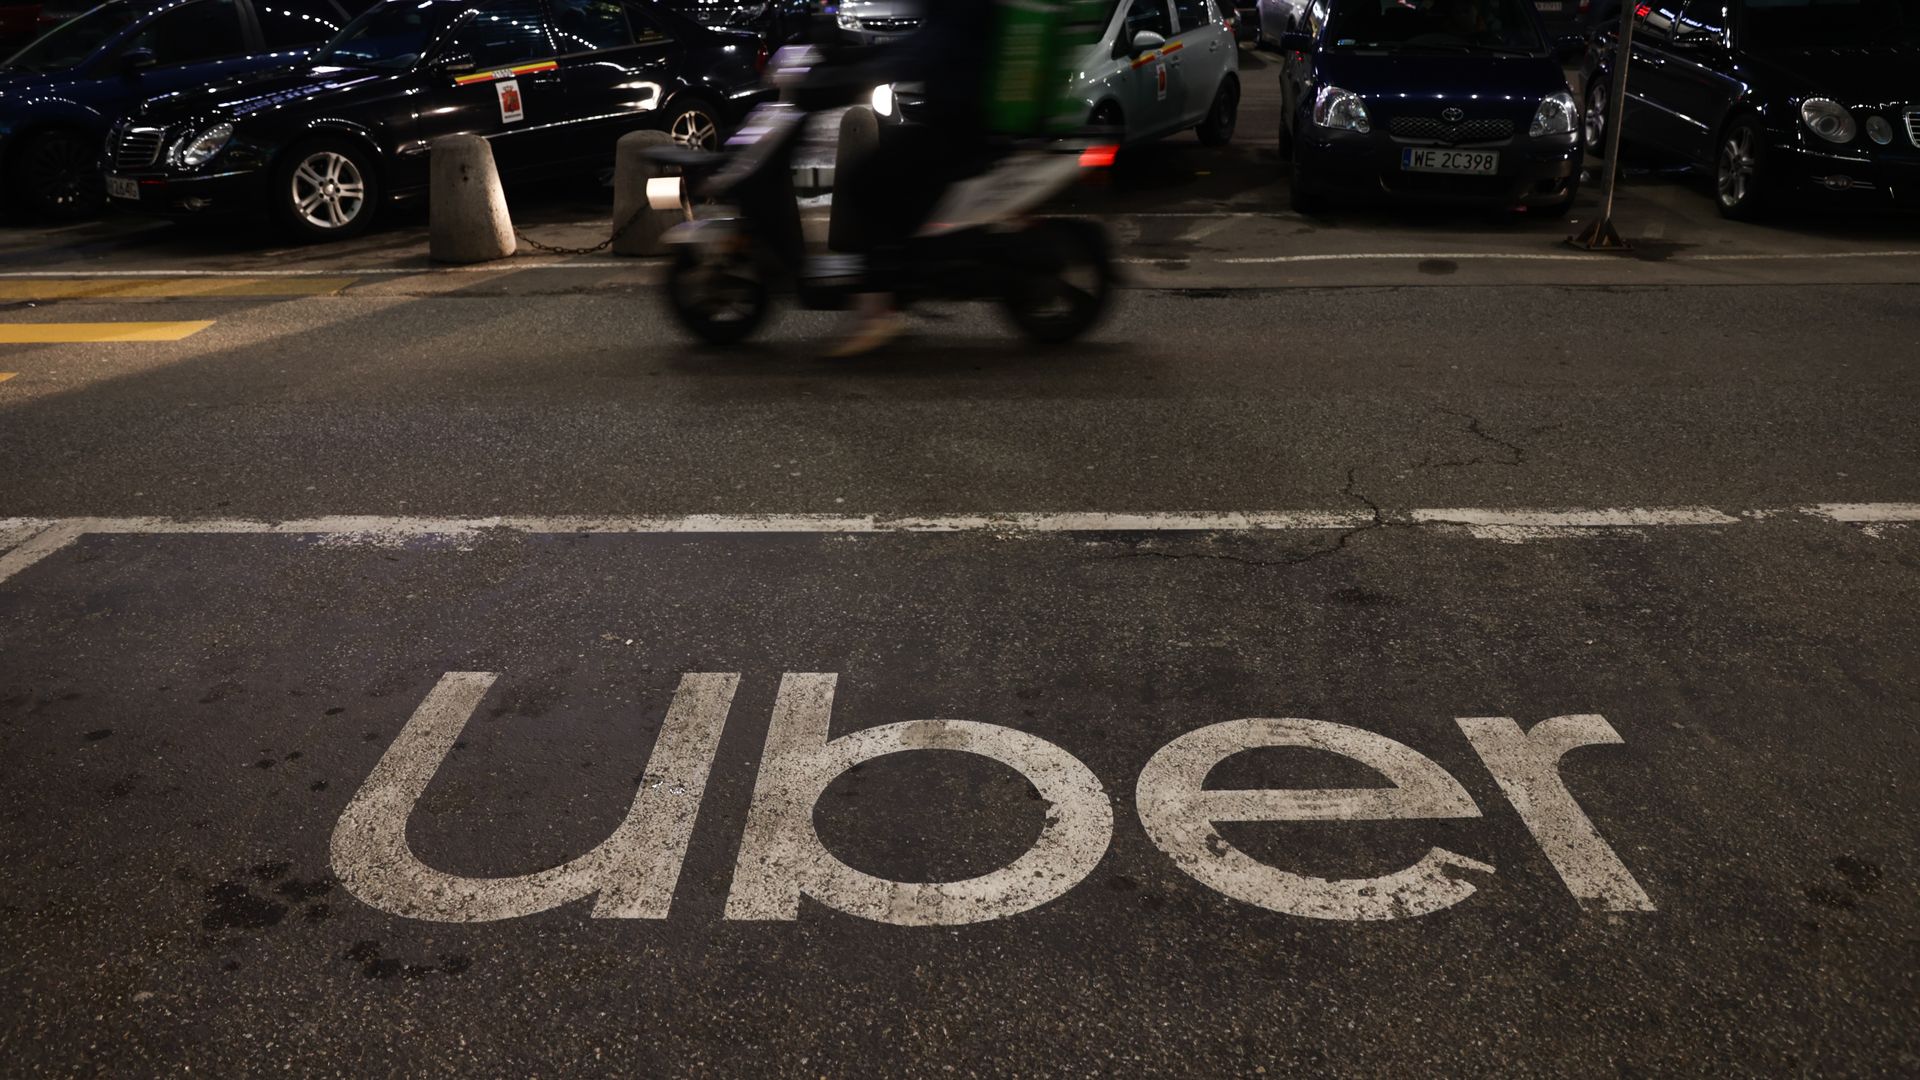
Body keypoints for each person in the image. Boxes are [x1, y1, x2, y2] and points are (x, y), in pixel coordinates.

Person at [825, 0, 1002, 357]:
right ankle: (900, 283)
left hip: (959, 129)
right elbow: (923, 43)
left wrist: (858, 73)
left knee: (867, 178)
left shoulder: (961, 9)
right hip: (957, 122)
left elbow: (930, 49)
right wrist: (848, 60)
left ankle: (878, 311)